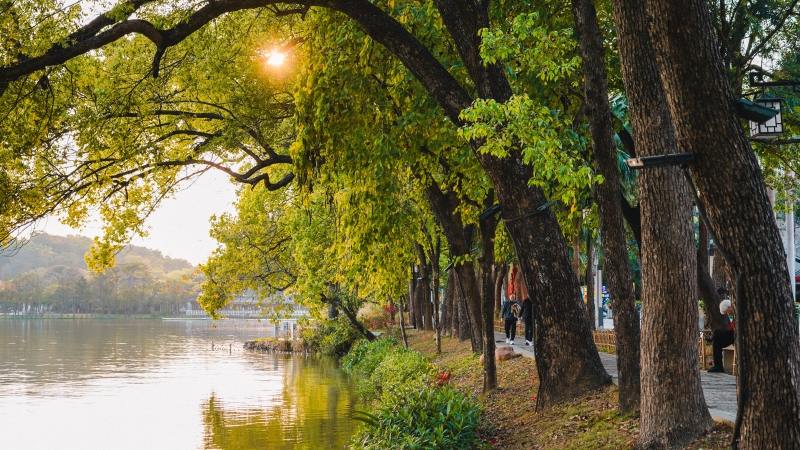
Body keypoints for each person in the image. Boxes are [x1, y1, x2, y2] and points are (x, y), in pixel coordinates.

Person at [707, 299, 735, 373]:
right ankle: (718, 366)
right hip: (732, 335)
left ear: (729, 308)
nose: (728, 314)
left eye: (727, 312)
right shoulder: (733, 317)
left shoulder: (736, 315)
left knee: (716, 332)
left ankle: (711, 337)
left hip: (734, 336)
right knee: (716, 342)